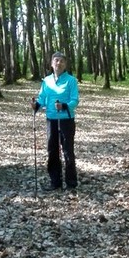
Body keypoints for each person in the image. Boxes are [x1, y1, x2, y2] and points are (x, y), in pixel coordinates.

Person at [32, 50, 79, 193]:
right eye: (56, 60)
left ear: (65, 64)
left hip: (66, 120)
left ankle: (71, 182)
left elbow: (75, 100)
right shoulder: (46, 81)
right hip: (51, 119)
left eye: (62, 61)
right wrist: (36, 105)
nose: (59, 63)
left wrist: (64, 106)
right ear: (52, 64)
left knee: (67, 150)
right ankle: (55, 181)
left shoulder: (71, 81)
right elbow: (42, 98)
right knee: (52, 150)